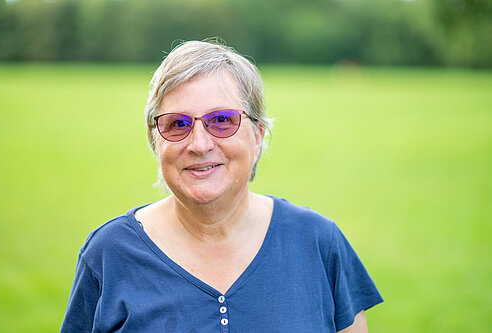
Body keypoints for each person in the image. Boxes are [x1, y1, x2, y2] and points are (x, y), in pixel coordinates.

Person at [61, 40, 383, 333]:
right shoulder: (109, 255)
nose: (200, 144)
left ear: (257, 136)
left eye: (222, 121)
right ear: (155, 140)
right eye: (178, 124)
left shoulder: (319, 244)